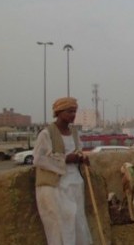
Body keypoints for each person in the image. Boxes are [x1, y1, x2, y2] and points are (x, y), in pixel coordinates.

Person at [33, 97, 92, 245]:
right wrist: (65, 159)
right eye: (69, 111)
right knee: (62, 224)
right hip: (57, 186)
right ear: (58, 112)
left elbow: (78, 151)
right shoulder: (46, 134)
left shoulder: (74, 133)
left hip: (75, 184)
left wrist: (81, 158)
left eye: (74, 111)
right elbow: (39, 159)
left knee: (78, 221)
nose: (73, 115)